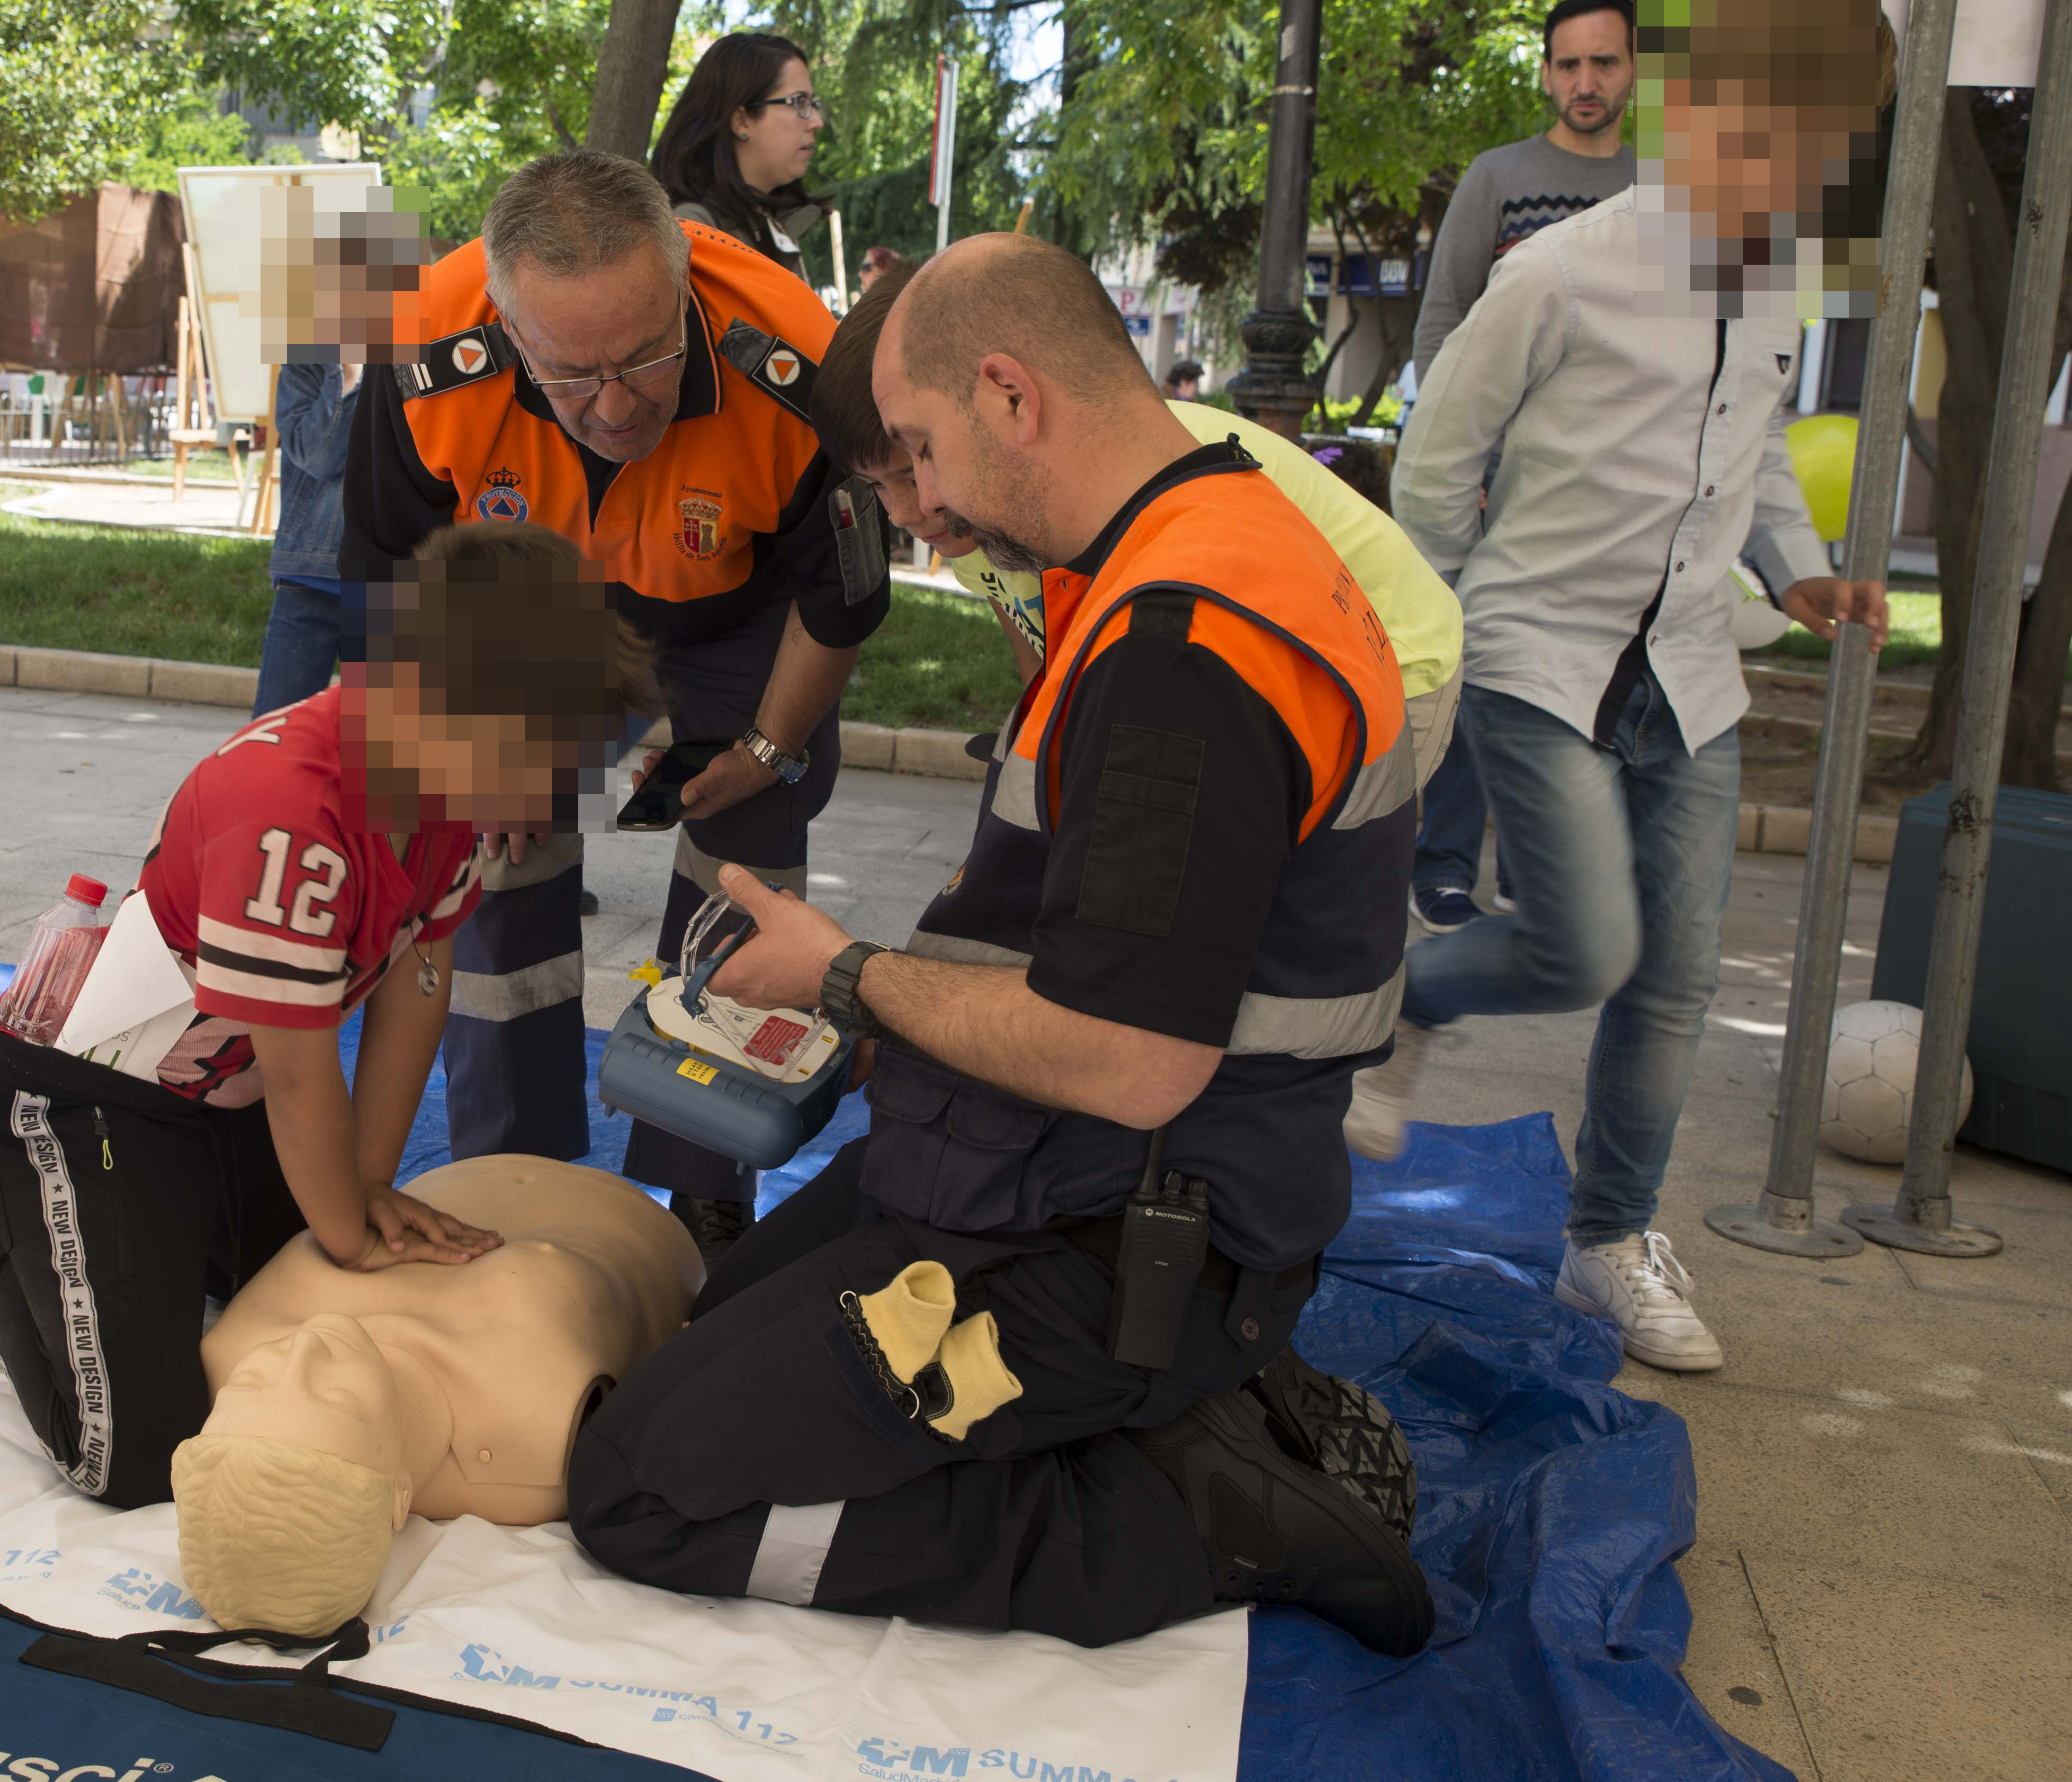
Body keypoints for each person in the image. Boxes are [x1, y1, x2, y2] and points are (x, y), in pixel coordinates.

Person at [566, 233, 1429, 1657]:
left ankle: (1178, 1518)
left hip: (1117, 1237)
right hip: (1061, 1181)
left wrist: (845, 978)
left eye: (919, 453)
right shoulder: (1197, 543)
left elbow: (1133, 1061)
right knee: (702, 1336)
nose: (925, 514)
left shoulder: (1180, 653)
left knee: (639, 1492)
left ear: (1014, 397)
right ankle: (1173, 1427)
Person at [0, 520, 653, 1510]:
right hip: (88, 1100)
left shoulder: (450, 790)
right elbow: (298, 1072)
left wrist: (366, 1184)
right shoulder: (288, 809)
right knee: (140, 1457)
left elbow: (420, 980)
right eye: (548, 772)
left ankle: (114, 1236)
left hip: (219, 1104)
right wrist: (352, 1228)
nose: (556, 809)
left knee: (272, 1329)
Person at [1382, 0, 1896, 1373]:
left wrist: (1796, 569)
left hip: (1690, 678)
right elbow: (1437, 458)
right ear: (1692, 108)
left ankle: (1609, 1240)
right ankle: (1405, 999)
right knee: (1582, 949)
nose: (1793, 173)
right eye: (1769, 135)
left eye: (1826, 150)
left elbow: (1758, 455)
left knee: (1669, 980)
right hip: (1537, 654)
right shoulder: (1560, 271)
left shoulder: (1783, 283)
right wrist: (1434, 638)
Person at [342, 151, 891, 1262]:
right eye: (571, 374)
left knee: (745, 871)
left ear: (685, 275)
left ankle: (705, 1182)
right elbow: (388, 575)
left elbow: (844, 597)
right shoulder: (424, 353)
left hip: (732, 618)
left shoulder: (791, 360)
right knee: (488, 863)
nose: (615, 405)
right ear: (504, 326)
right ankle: (514, 1166)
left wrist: (769, 744)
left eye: (645, 356)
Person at [811, 260, 1466, 788]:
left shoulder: (1162, 462)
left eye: (920, 457)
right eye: (876, 486)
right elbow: (1044, 654)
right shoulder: (972, 510)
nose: (910, 507)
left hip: (1393, 657)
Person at [172, 1154, 702, 1635]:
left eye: (253, 1379)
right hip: (625, 1209)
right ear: (399, 1497)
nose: (304, 1348)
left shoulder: (223, 1356)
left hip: (431, 1184)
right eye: (335, 1395)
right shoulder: (531, 1438)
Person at [1401, 0, 1639, 933]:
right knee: (1477, 666)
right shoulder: (1499, 178)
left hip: (1611, 494)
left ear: (1634, 72)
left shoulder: (1663, 193)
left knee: (1583, 684)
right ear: (1546, 72)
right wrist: (1471, 462)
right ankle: (1445, 866)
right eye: (1569, 63)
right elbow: (1441, 324)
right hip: (1500, 484)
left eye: (1605, 62)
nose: (1585, 81)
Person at [252, 201, 427, 715]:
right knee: (273, 738)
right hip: (310, 573)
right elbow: (318, 456)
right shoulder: (308, 354)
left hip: (388, 581)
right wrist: (347, 375)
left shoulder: (415, 358)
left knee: (385, 753)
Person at [649, 31, 828, 276]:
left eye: (813, 104)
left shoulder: (772, 223)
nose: (817, 122)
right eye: (799, 102)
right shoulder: (693, 231)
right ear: (742, 121)